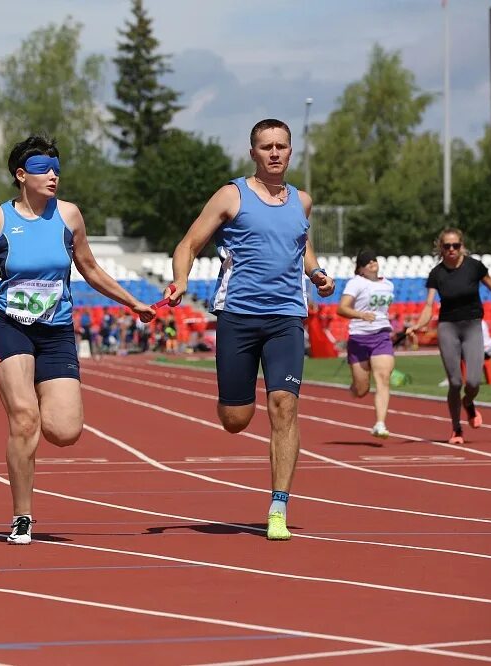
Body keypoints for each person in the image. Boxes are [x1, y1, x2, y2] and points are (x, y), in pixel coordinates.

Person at [0, 134, 156, 545]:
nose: (53, 175)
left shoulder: (70, 216)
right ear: (21, 175)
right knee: (25, 417)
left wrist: (134, 303)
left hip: (57, 331)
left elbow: (91, 269)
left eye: (57, 168)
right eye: (44, 168)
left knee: (64, 430)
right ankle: (22, 516)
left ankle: (29, 418)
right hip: (11, 326)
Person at [166, 119, 335, 541]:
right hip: (238, 316)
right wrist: (182, 279)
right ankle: (234, 402)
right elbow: (188, 244)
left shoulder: (302, 201)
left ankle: (278, 507)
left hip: (286, 318)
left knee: (284, 406)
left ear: (291, 152)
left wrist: (316, 273)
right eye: (266, 147)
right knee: (236, 419)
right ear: (253, 153)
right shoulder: (231, 195)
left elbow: (302, 243)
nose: (274, 153)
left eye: (281, 146)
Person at [406, 228, 491, 444]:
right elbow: (429, 305)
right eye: (447, 246)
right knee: (455, 382)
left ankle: (469, 403)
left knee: (474, 382)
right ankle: (456, 428)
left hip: (472, 327)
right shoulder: (437, 273)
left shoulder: (474, 267)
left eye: (455, 246)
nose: (451, 250)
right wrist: (418, 325)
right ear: (441, 248)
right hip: (448, 327)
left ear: (462, 246)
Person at [336, 250, 397, 439]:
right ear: (361, 269)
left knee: (383, 379)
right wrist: (361, 315)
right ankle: (355, 386)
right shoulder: (356, 283)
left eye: (374, 260)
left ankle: (380, 424)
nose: (372, 263)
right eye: (366, 262)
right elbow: (342, 308)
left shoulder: (388, 284)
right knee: (362, 390)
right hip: (359, 338)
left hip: (381, 337)